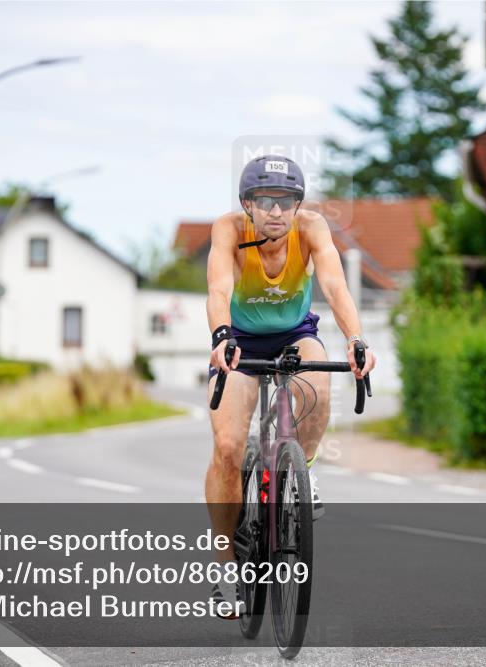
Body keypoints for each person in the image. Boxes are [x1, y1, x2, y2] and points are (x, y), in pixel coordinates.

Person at [205, 155, 376, 616]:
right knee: (228, 447)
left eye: (286, 201)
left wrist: (356, 340)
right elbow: (218, 289)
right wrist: (221, 336)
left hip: (295, 334)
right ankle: (225, 568)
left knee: (318, 385)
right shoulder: (227, 230)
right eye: (265, 201)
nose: (276, 211)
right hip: (239, 340)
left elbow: (336, 287)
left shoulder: (313, 228)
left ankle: (304, 469)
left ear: (298, 204)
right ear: (248, 204)